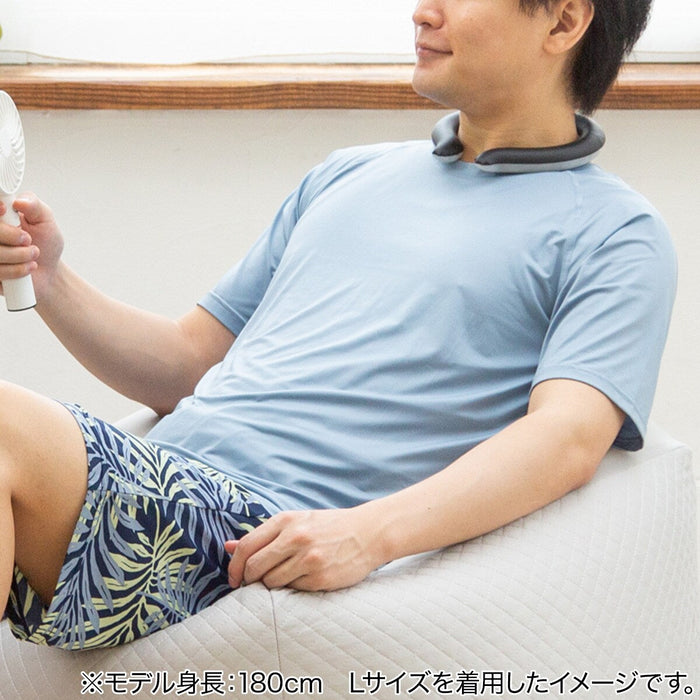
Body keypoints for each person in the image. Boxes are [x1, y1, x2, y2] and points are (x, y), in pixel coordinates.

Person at [0, 0, 675, 650]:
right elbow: (187, 363)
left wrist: (369, 535)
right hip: (160, 488)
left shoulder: (615, 233)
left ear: (563, 20)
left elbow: (567, 438)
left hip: (260, 532)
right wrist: (51, 278)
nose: (422, 11)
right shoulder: (349, 173)